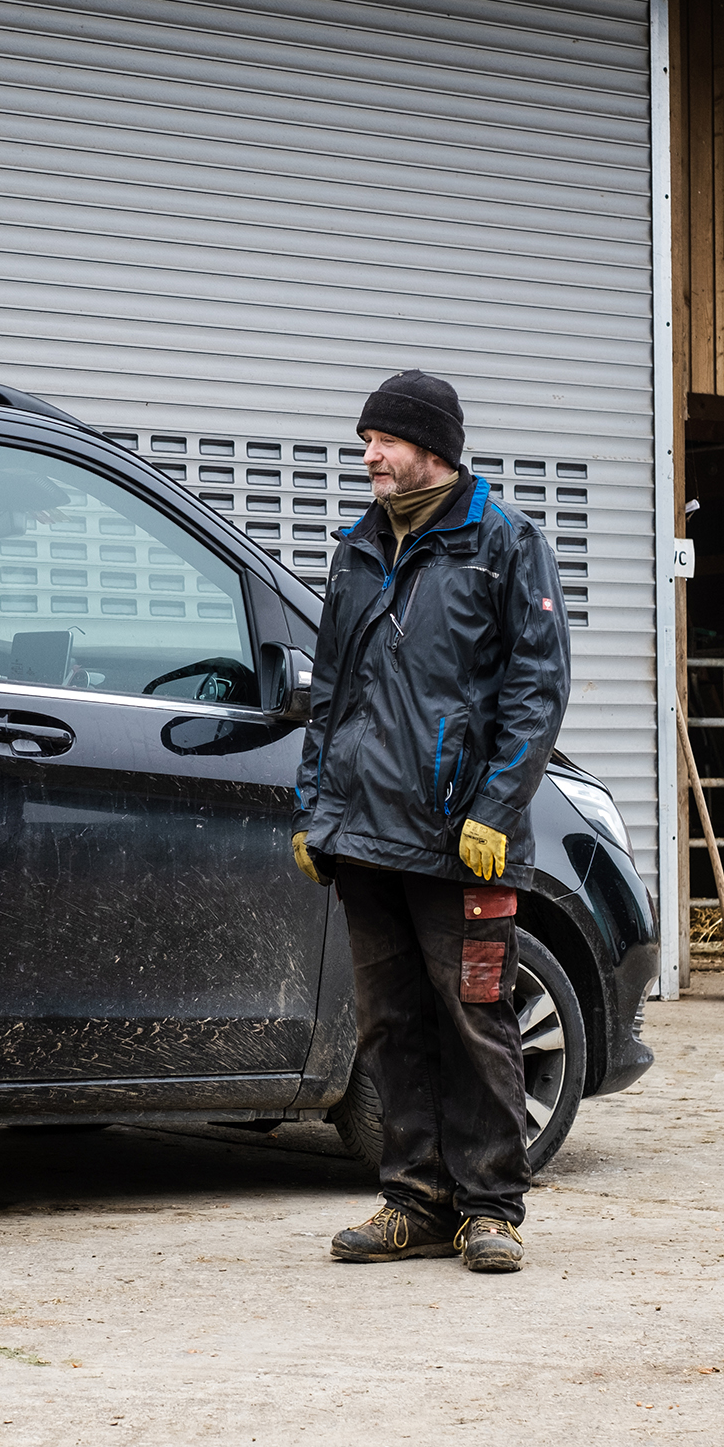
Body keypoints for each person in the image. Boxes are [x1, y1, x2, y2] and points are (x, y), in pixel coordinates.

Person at [291, 370, 569, 1274]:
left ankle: (491, 1206)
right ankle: (414, 1199)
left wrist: (498, 806)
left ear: (433, 449)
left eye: (384, 440)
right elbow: (331, 693)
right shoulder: (358, 546)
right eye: (366, 441)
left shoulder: (504, 543)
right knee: (391, 1024)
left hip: (462, 841)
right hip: (365, 836)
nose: (369, 456)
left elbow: (537, 690)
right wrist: (314, 807)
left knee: (476, 1018)